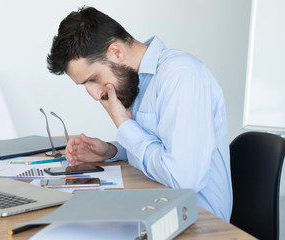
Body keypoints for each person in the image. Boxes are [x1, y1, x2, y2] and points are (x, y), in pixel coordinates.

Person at [47, 6, 232, 221]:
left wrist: (124, 125)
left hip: (199, 222)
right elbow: (159, 146)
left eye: (92, 79)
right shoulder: (137, 81)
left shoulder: (182, 77)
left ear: (116, 52)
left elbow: (182, 180)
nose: (94, 94)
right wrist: (111, 151)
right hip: (157, 209)